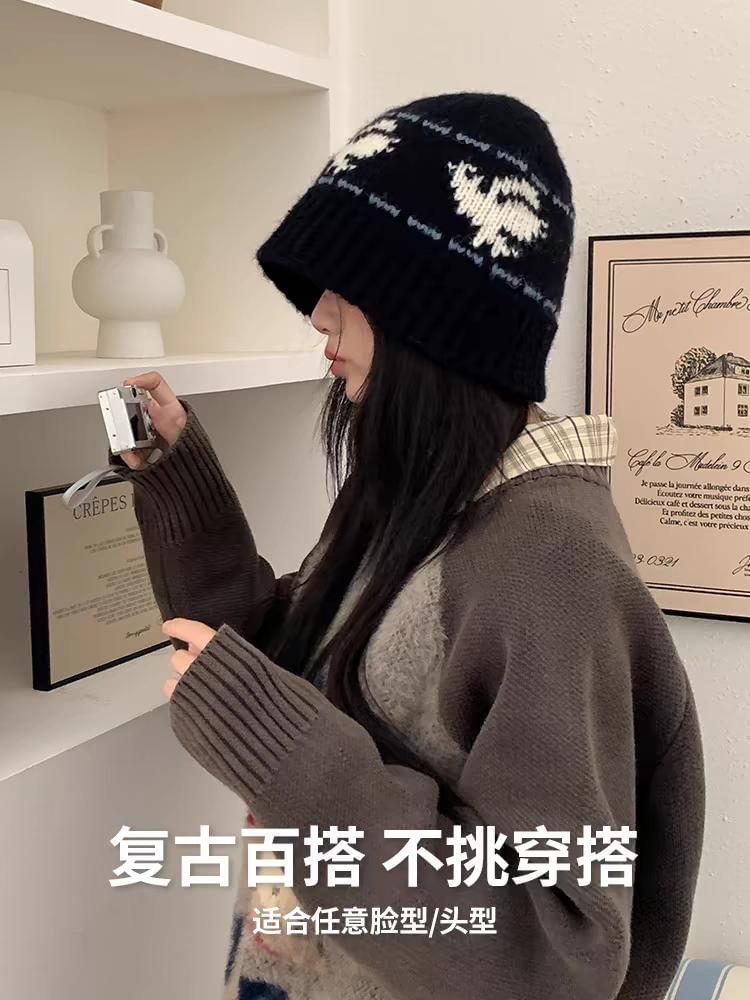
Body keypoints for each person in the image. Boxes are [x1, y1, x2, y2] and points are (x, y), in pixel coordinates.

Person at [113, 94, 705, 1000]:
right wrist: (176, 474)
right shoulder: (412, 499)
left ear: (437, 313)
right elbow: (282, 667)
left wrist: (292, 759)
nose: (319, 315)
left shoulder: (551, 562)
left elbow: (554, 954)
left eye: (348, 284)